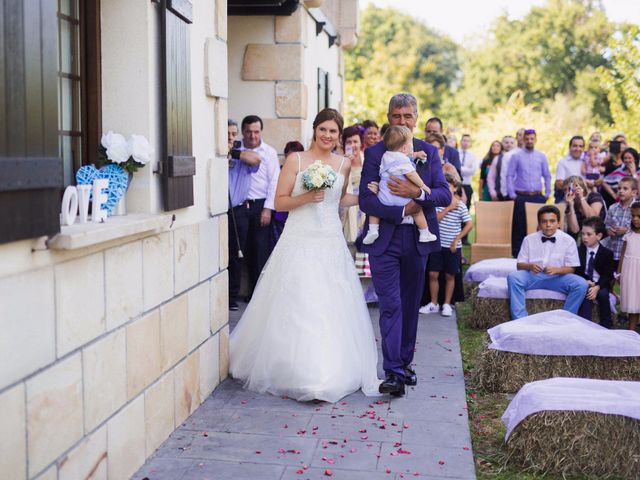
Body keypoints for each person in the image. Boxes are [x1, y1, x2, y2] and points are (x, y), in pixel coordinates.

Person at [229, 108, 381, 403]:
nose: (328, 135)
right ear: (315, 130)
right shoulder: (297, 160)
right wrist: (306, 198)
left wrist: (365, 195)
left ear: (339, 135)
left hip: (329, 242)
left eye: (333, 131)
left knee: (328, 303)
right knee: (299, 300)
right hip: (299, 239)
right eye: (323, 129)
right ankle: (295, 369)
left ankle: (327, 370)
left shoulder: (343, 164)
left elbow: (341, 199)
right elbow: (280, 202)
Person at [359, 93, 451, 396]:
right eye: (397, 116)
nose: (403, 122)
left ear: (417, 117)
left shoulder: (428, 152)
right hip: (383, 238)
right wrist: (401, 210)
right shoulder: (375, 153)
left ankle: (405, 362)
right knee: (391, 304)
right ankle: (394, 372)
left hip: (417, 239)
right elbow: (366, 198)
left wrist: (418, 194)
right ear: (389, 118)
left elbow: (443, 195)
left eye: (408, 116)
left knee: (410, 304)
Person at [507, 205, 588, 319]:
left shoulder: (568, 240)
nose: (548, 225)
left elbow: (572, 268)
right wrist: (530, 266)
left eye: (552, 221)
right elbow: (519, 265)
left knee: (581, 284)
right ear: (539, 224)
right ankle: (520, 318)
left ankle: (566, 318)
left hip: (558, 278)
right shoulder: (529, 239)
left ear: (558, 223)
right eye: (544, 221)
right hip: (534, 277)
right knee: (513, 277)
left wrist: (558, 269)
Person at [363, 126, 437, 245]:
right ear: (404, 148)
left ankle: (372, 230)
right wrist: (423, 186)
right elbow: (412, 174)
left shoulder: (386, 156)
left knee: (374, 210)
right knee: (417, 211)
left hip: (384, 196)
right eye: (410, 144)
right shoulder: (403, 161)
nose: (412, 147)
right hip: (401, 198)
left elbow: (404, 155)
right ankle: (424, 233)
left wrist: (415, 154)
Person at [240, 115, 280, 302]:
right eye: (249, 131)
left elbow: (274, 182)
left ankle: (258, 294)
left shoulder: (269, 152)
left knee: (260, 249)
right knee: (244, 250)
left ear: (260, 132)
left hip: (260, 205)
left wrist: (268, 209)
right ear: (243, 132)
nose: (253, 136)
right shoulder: (236, 149)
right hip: (240, 206)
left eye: (256, 131)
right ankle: (247, 291)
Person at [421, 173, 472, 317]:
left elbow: (469, 224)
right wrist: (448, 208)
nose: (446, 188)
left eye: (449, 186)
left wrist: (457, 239)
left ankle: (447, 304)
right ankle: (433, 303)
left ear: (455, 188)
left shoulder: (461, 205)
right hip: (437, 245)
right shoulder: (438, 203)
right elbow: (434, 220)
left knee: (450, 275)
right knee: (433, 274)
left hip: (452, 247)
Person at [227, 119, 261, 311]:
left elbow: (256, 160)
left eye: (233, 134)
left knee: (236, 254)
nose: (231, 138)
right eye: (227, 135)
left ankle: (232, 295)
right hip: (219, 210)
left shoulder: (243, 155)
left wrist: (233, 152)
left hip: (238, 210)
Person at [507, 129, 552, 257]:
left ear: (535, 140)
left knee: (539, 225)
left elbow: (547, 175)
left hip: (538, 196)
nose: (529, 141)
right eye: (527, 139)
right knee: (519, 227)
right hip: (520, 196)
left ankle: (538, 253)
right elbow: (509, 175)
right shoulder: (516, 156)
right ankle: (517, 255)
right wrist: (512, 194)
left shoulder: (541, 156)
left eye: (532, 139)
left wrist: (547, 193)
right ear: (523, 140)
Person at [576, 217, 614, 328]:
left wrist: (597, 286)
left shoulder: (607, 253)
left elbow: (608, 275)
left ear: (599, 236)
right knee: (586, 294)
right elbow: (576, 270)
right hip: (585, 282)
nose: (584, 237)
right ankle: (585, 324)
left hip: (601, 284)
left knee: (603, 295)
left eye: (589, 234)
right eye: (583, 234)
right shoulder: (579, 251)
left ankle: (606, 324)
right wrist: (585, 281)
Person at [270, 141, 304, 249]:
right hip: (280, 215)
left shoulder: (305, 174)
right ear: (285, 155)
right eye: (291, 154)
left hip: (298, 215)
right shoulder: (278, 171)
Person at [603, 176, 638, 268]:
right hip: (613, 249)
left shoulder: (637, 209)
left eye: (625, 188)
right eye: (619, 188)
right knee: (612, 278)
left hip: (629, 252)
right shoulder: (612, 208)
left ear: (634, 192)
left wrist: (627, 231)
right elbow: (607, 225)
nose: (621, 191)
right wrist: (608, 230)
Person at [617, 201, 640, 331]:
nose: (635, 219)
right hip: (630, 271)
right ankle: (631, 331)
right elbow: (622, 255)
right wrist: (619, 273)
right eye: (633, 216)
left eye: (639, 216)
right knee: (633, 300)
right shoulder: (629, 235)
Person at [342, 125, 365, 244]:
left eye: (355, 141)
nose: (352, 145)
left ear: (361, 143)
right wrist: (345, 164)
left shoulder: (367, 159)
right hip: (347, 209)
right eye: (348, 142)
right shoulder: (340, 162)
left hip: (365, 209)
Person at [554, 136, 586, 203]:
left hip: (586, 198)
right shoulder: (563, 162)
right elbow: (559, 183)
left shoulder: (587, 161)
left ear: (583, 148)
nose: (578, 149)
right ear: (570, 147)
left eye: (580, 146)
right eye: (575, 146)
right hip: (568, 199)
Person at [487, 135, 516, 201]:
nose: (509, 144)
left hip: (516, 194)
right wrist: (492, 192)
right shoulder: (497, 159)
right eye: (506, 142)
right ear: (502, 144)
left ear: (515, 144)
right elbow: (490, 177)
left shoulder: (519, 157)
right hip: (500, 194)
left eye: (512, 143)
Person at [601, 140, 625, 207]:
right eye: (621, 147)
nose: (623, 148)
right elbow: (598, 164)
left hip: (620, 190)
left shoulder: (624, 161)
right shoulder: (608, 159)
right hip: (607, 189)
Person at [459, 134, 477, 211]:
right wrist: (466, 169)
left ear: (470, 143)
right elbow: (455, 169)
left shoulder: (473, 155)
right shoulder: (455, 152)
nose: (466, 142)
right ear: (460, 141)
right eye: (464, 140)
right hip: (456, 186)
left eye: (468, 141)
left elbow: (472, 171)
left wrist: (460, 169)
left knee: (466, 209)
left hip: (467, 185)